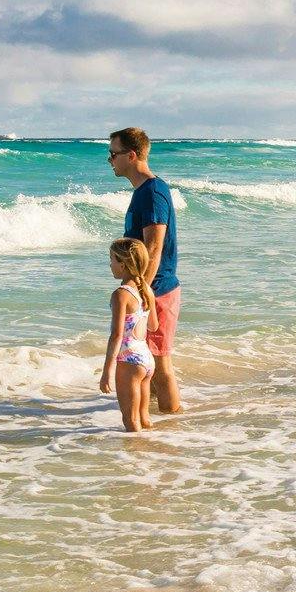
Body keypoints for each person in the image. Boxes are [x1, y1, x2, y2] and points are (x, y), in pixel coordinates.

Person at [107, 126, 183, 415]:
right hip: (151, 289)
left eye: (113, 154)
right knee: (146, 360)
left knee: (160, 363)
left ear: (132, 155)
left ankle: (173, 422)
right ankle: (154, 423)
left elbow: (154, 246)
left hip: (158, 289)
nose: (110, 161)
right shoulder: (143, 192)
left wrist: (141, 293)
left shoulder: (152, 192)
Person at [98, 238, 157, 432]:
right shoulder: (146, 289)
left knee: (131, 422)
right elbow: (153, 326)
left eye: (112, 260)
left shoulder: (121, 294)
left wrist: (107, 371)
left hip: (129, 360)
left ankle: (137, 459)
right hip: (146, 359)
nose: (110, 264)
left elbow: (116, 335)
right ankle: (156, 454)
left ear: (123, 265)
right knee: (144, 418)